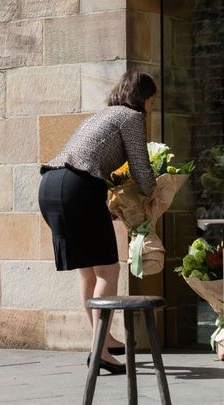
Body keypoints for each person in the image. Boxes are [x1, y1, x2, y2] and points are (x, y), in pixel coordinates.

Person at [38, 70, 157, 374]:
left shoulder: (103, 115)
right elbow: (141, 169)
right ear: (142, 99)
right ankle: (100, 351)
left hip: (50, 186)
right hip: (78, 187)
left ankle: (104, 340)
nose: (152, 108)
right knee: (108, 269)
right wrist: (156, 190)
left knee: (88, 273)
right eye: (152, 101)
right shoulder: (130, 118)